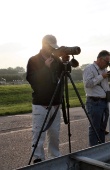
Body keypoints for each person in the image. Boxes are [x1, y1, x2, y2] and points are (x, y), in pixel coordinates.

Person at [26, 35, 63, 164]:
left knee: (54, 135)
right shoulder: (33, 60)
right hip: (41, 104)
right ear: (45, 45)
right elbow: (32, 79)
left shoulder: (57, 60)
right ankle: (38, 159)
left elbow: (63, 75)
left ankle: (54, 157)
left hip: (56, 104)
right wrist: (45, 68)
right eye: (51, 47)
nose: (53, 50)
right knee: (38, 134)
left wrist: (65, 61)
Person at [83, 50, 110, 146]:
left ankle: (101, 146)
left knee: (102, 127)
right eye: (106, 62)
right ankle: (93, 148)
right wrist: (101, 76)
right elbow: (88, 84)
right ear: (99, 59)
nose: (107, 64)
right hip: (94, 101)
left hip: (104, 101)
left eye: (109, 62)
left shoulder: (104, 70)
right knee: (94, 127)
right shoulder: (89, 69)